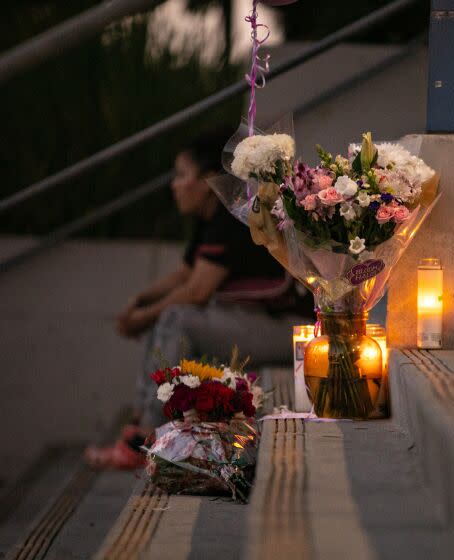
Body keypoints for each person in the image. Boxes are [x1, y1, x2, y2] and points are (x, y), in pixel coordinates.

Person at [84, 129, 314, 469]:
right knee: (168, 317)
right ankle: (140, 424)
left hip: (294, 330)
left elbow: (196, 291)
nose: (174, 185)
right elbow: (184, 274)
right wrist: (139, 302)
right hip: (262, 321)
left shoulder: (230, 219)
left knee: (176, 318)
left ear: (208, 179)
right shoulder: (212, 218)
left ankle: (144, 435)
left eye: (181, 175)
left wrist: (142, 316)